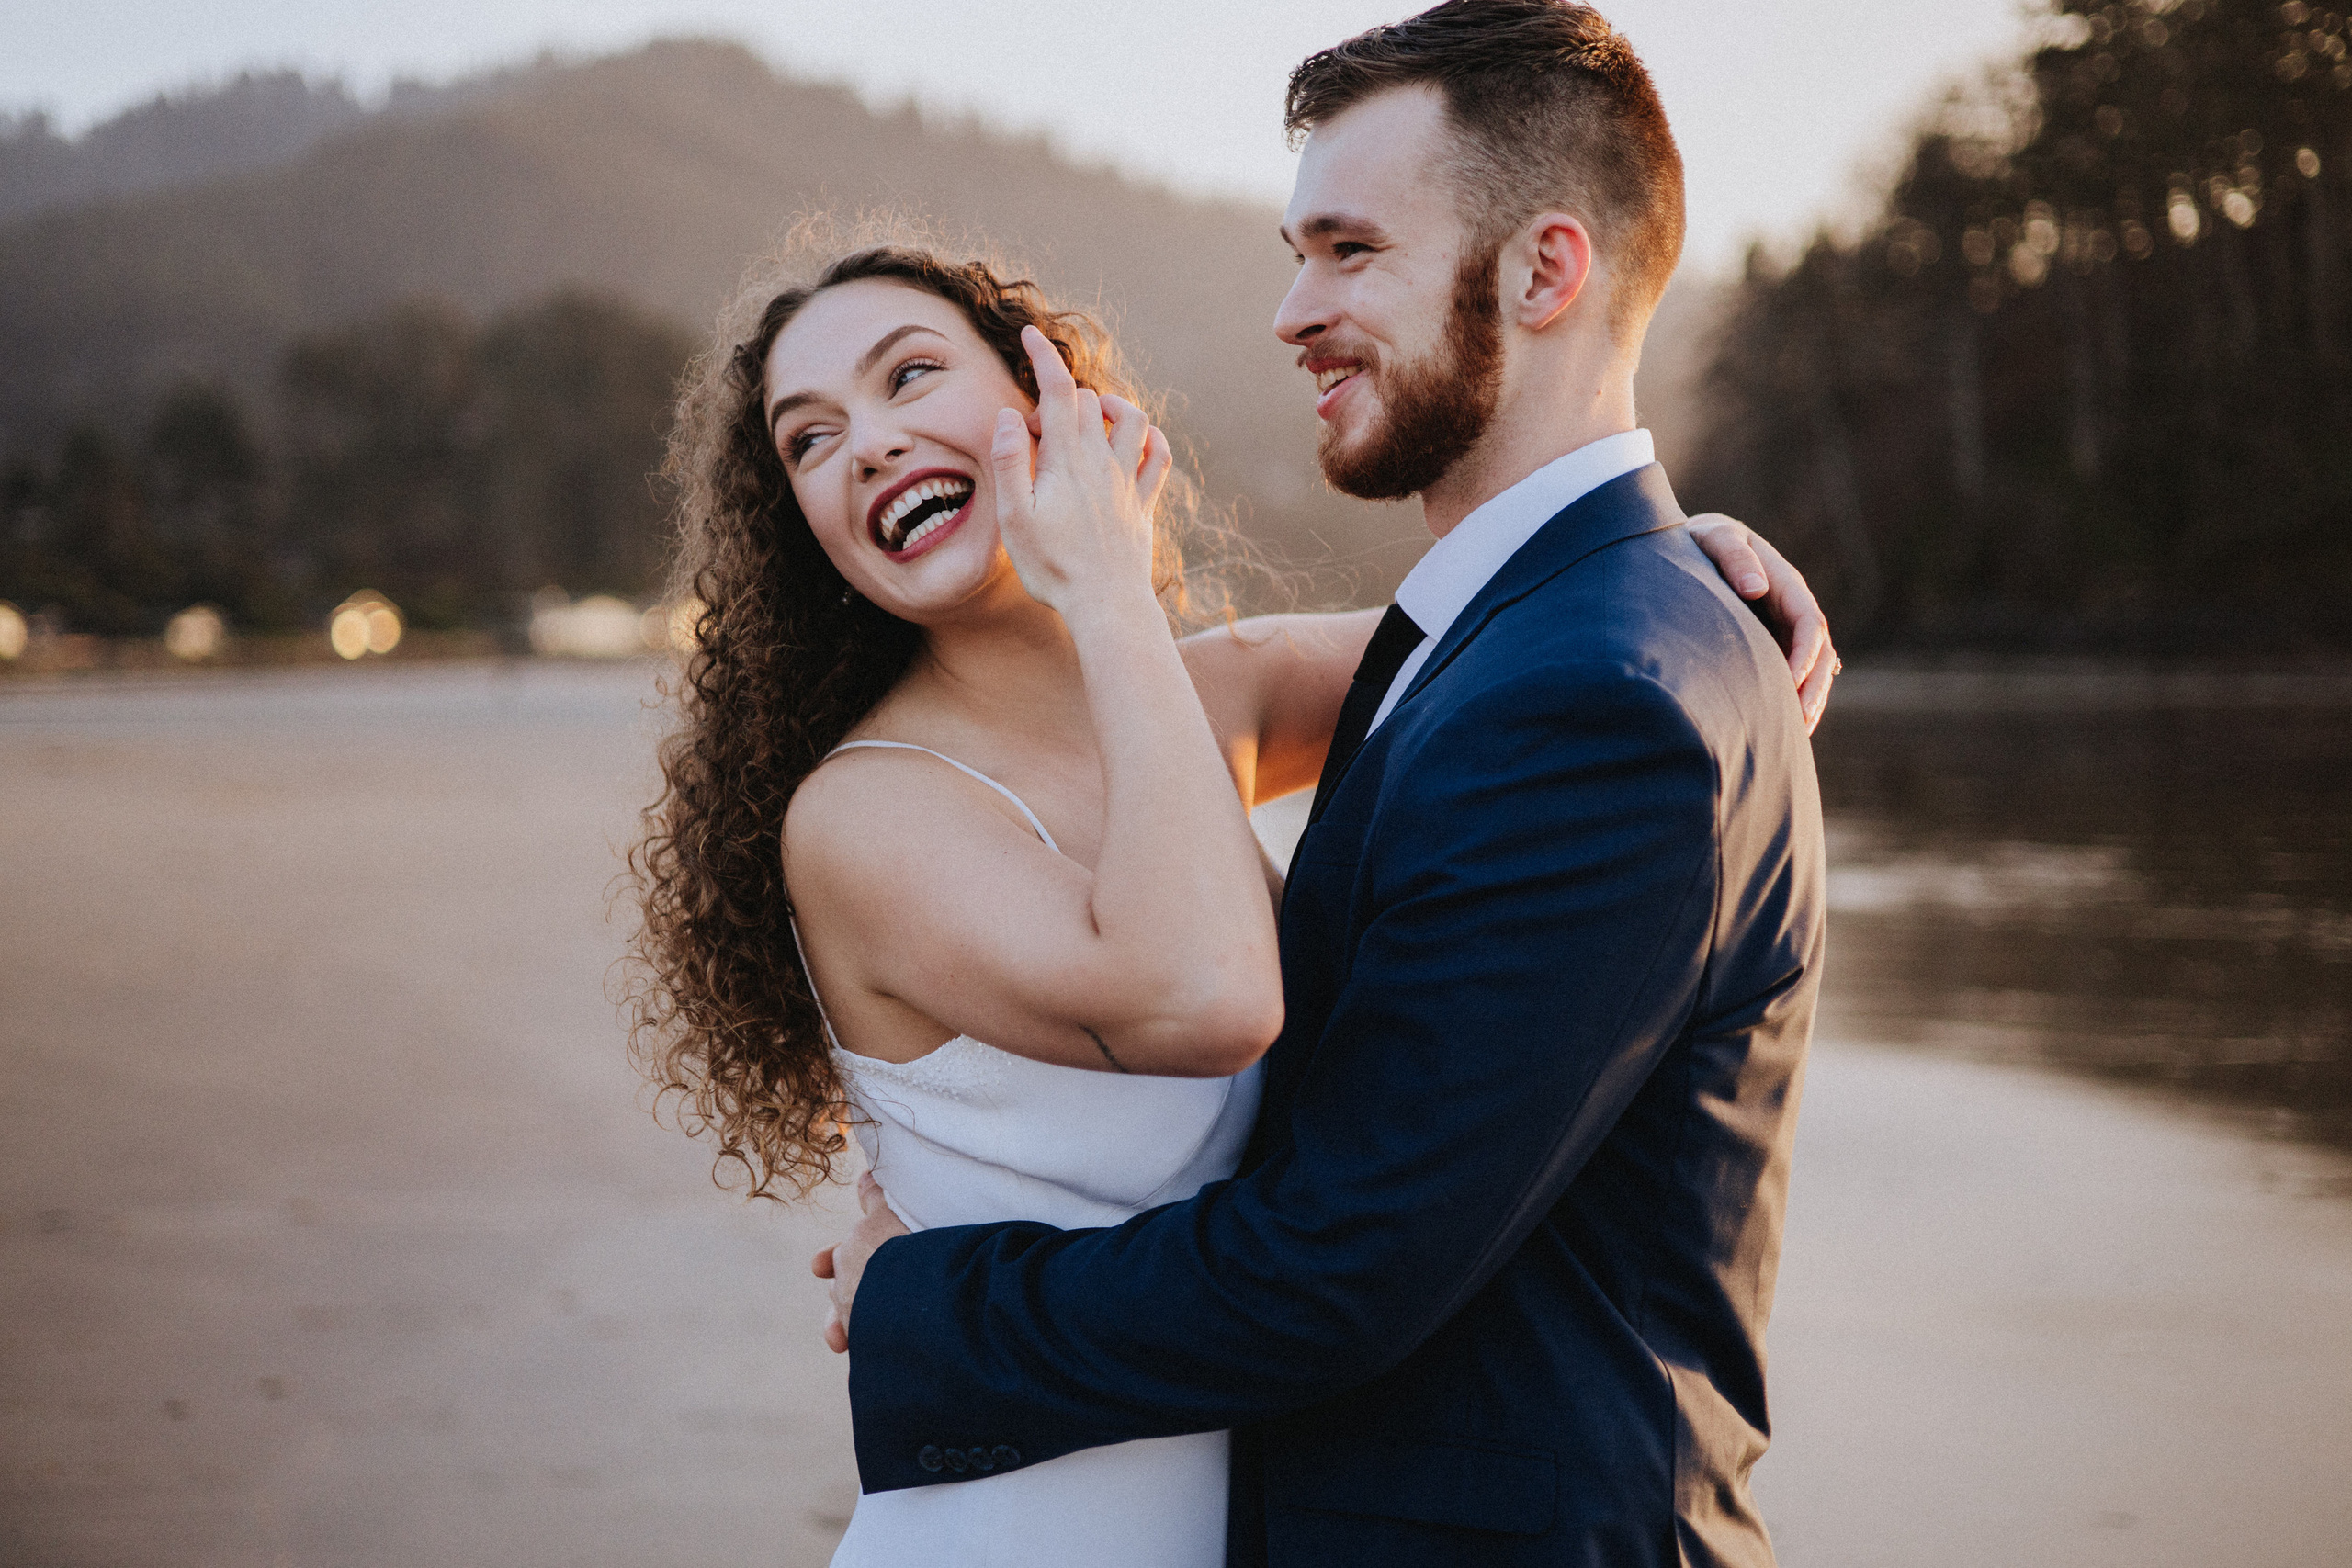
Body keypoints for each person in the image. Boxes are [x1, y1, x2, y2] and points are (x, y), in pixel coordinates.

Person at [814, 4, 1830, 1566]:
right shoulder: (1506, 635)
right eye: (1297, 250)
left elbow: (1338, 1269)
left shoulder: (1595, 694)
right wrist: (1680, 550)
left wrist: (921, 1305)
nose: (1291, 310)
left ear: (1545, 272)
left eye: (1349, 251)